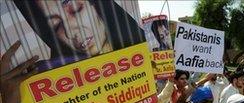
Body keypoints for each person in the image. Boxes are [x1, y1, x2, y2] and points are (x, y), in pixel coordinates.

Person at [14, 0, 145, 71]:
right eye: (56, 25)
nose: (70, 33)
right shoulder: (55, 75)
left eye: (76, 9)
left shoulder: (142, 52)